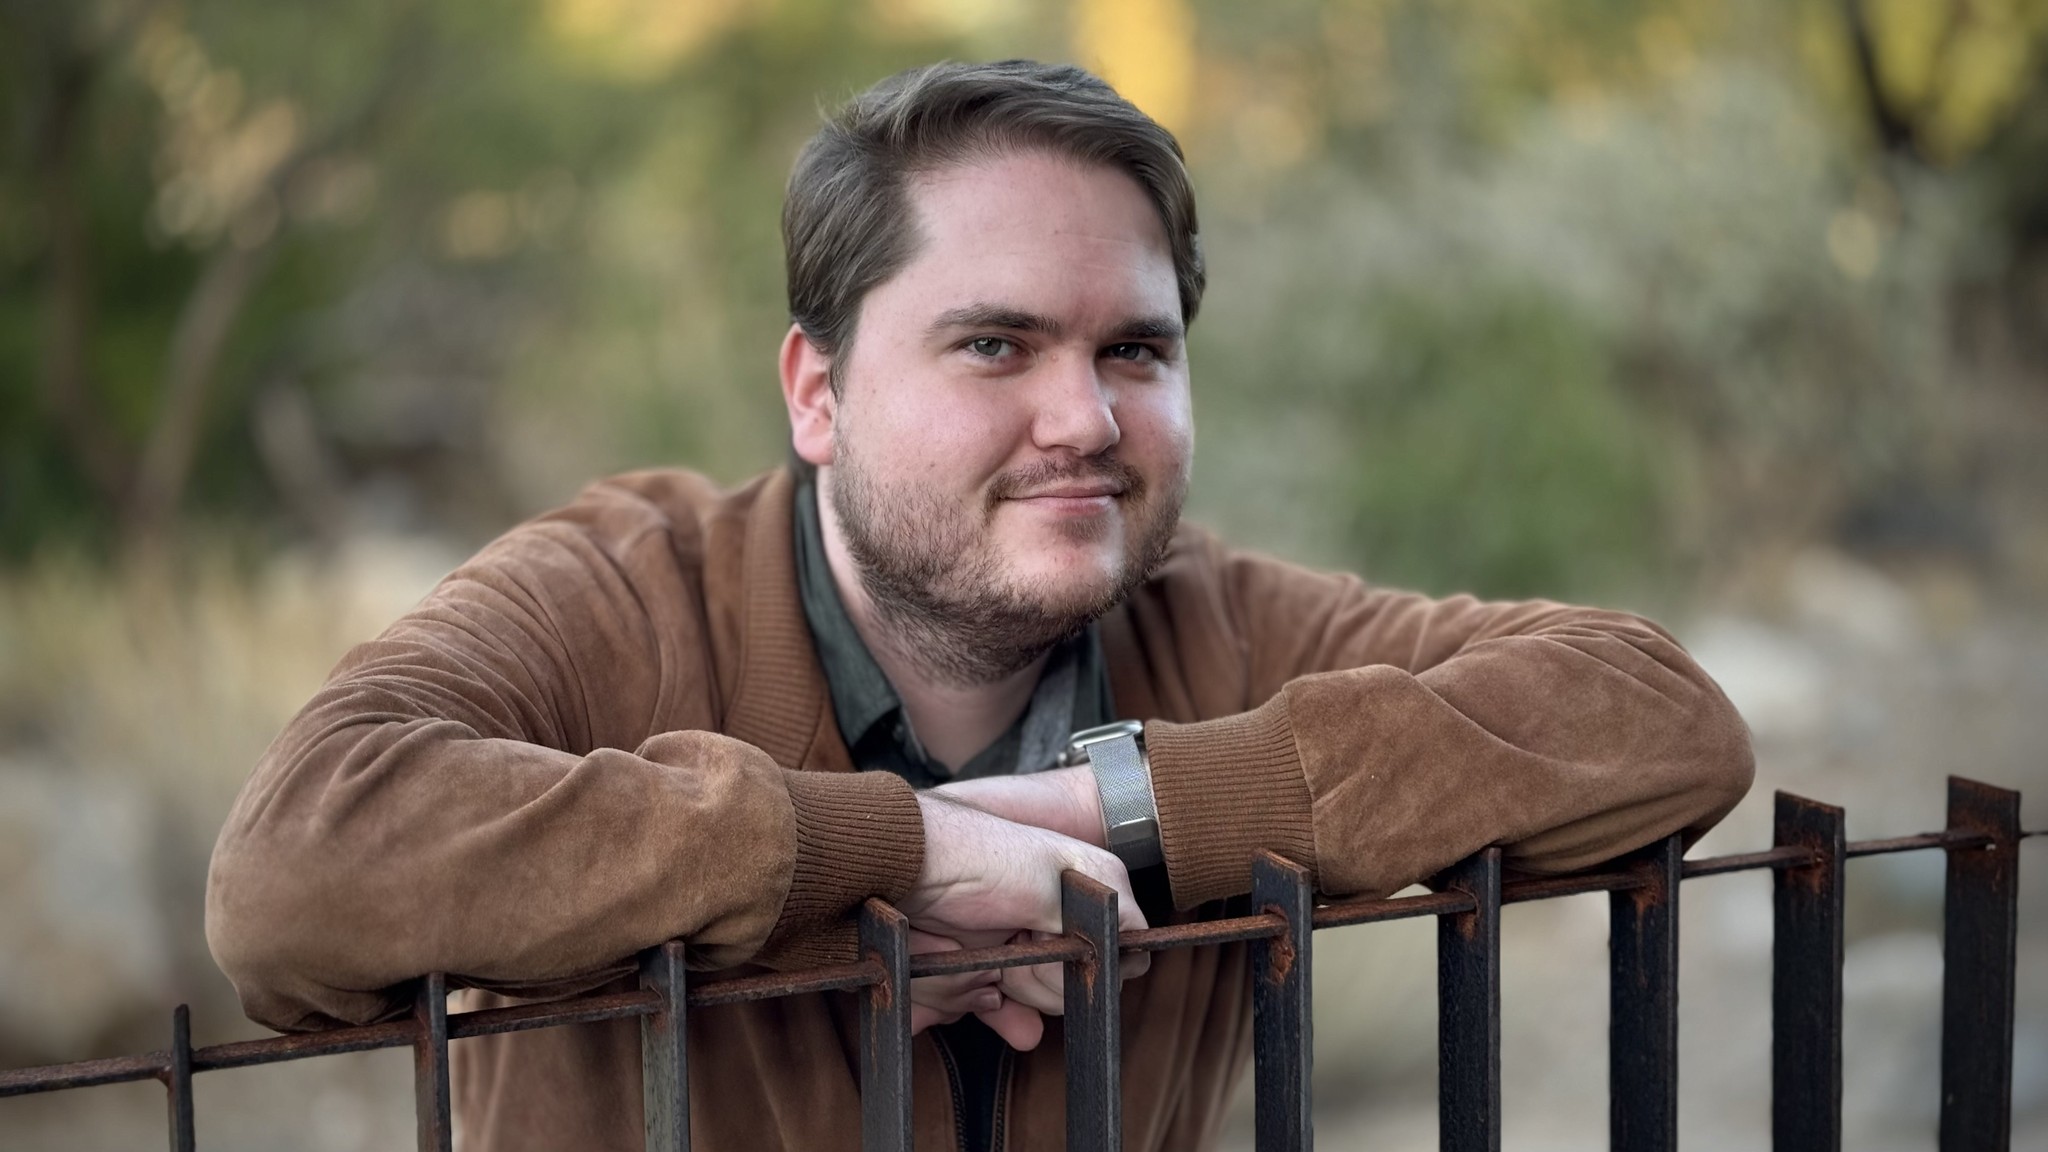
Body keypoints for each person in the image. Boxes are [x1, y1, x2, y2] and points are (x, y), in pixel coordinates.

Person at [205, 59, 1754, 1152]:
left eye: (1134, 352)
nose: (1085, 417)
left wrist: (1130, 813)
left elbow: (1663, 721)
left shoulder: (1216, 626)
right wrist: (899, 849)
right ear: (817, 392)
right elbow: (293, 870)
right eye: (996, 346)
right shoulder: (623, 592)